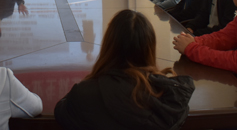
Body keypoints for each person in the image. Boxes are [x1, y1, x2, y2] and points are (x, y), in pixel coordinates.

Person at [55, 9, 195, 130]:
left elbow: (61, 111)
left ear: (109, 45)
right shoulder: (171, 99)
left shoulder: (83, 95)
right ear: (149, 48)